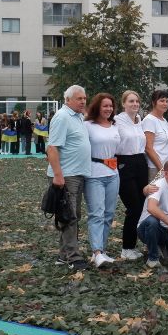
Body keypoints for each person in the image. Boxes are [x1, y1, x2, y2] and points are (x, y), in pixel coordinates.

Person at [47, 85, 92, 272]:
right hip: (67, 175)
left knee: (71, 215)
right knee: (70, 216)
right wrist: (58, 175)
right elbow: (52, 148)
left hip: (77, 173)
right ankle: (74, 257)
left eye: (84, 98)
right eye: (79, 98)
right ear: (68, 100)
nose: (83, 101)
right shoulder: (62, 117)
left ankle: (64, 255)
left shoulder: (78, 117)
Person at [83, 93, 121, 269]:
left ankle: (102, 251)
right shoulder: (87, 125)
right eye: (105, 106)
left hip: (113, 174)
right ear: (97, 106)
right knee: (96, 213)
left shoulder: (114, 126)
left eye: (111, 106)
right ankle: (97, 252)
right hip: (94, 174)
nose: (108, 109)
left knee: (108, 214)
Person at [114, 91, 149, 261]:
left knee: (142, 205)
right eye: (131, 101)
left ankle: (133, 245)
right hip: (124, 164)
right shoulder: (117, 120)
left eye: (137, 101)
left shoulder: (139, 120)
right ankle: (126, 248)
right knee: (133, 207)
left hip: (140, 163)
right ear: (123, 103)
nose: (135, 104)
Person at [143, 90, 168, 178]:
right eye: (162, 101)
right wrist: (161, 168)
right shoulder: (149, 120)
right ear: (153, 103)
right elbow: (148, 148)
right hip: (156, 167)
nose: (165, 104)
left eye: (167, 101)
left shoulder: (164, 121)